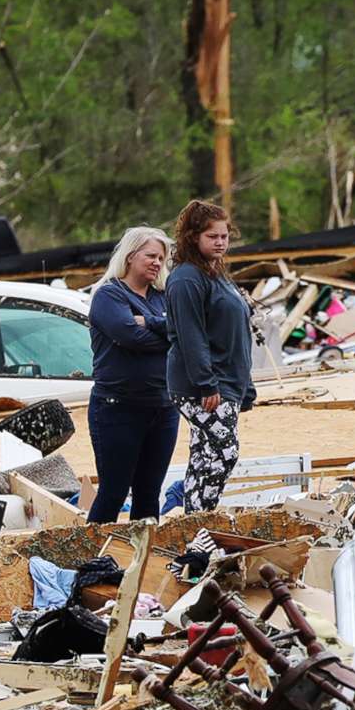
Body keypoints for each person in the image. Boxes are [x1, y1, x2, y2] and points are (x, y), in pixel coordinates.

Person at [165, 200, 255, 514]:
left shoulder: (215, 273)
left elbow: (237, 333)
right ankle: (201, 517)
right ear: (193, 238)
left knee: (204, 455)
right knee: (223, 453)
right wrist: (206, 384)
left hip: (227, 383)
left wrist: (247, 387)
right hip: (200, 388)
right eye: (211, 237)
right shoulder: (187, 278)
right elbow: (191, 337)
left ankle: (194, 518)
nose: (220, 242)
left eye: (224, 236)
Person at [83, 226, 177, 523]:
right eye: (150, 256)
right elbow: (131, 337)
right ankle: (91, 565)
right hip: (117, 407)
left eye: (161, 258)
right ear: (130, 256)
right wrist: (168, 334)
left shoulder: (163, 296)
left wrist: (149, 322)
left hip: (162, 408)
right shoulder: (109, 295)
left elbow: (187, 333)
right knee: (114, 491)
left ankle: (143, 563)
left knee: (149, 493)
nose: (157, 263)